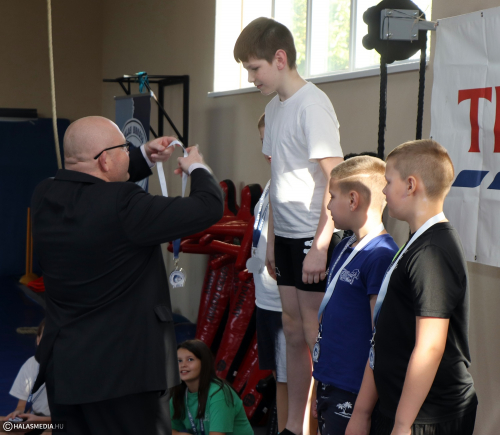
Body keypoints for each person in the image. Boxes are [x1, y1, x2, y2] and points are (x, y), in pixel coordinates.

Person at [30, 116, 224, 435]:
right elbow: (208, 206)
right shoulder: (123, 204)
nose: (128, 152)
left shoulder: (44, 195)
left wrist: (144, 156)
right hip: (124, 374)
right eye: (124, 148)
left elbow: (91, 177)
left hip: (66, 369)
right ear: (105, 159)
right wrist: (198, 168)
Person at [234, 18, 344, 435]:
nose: (252, 78)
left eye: (255, 68)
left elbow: (337, 178)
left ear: (280, 59)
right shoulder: (273, 108)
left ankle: (328, 424)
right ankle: (295, 426)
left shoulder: (312, 106)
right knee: (293, 332)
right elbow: (279, 178)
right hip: (286, 237)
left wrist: (320, 244)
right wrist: (272, 241)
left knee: (315, 334)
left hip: (312, 237)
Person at [346, 139, 478, 435]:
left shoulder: (432, 251)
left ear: (410, 185)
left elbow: (430, 346)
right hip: (399, 409)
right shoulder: (416, 243)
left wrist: (403, 424)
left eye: (388, 181)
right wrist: (363, 412)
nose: (383, 191)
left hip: (427, 415)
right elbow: (384, 335)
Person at [312, 156, 398, 435]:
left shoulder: (381, 256)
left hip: (354, 389)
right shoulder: (344, 246)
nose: (328, 206)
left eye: (332, 197)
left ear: (352, 200)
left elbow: (380, 340)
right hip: (330, 380)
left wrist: (362, 411)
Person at [249, 113, 288, 432]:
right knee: (279, 376)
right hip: (266, 298)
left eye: (273, 140)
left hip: (284, 301)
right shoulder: (272, 183)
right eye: (264, 141)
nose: (267, 150)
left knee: (293, 379)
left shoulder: (295, 184)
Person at [170, 340, 253, 435]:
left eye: (190, 359)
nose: (183, 365)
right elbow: (165, 430)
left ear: (204, 363)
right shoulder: (178, 393)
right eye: (179, 361)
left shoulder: (219, 392)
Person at [2, 319, 51, 430]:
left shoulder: (73, 368)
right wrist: (18, 414)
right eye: (46, 336)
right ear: (38, 340)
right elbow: (22, 406)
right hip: (37, 419)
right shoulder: (31, 364)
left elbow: (76, 417)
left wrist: (43, 421)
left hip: (64, 423)